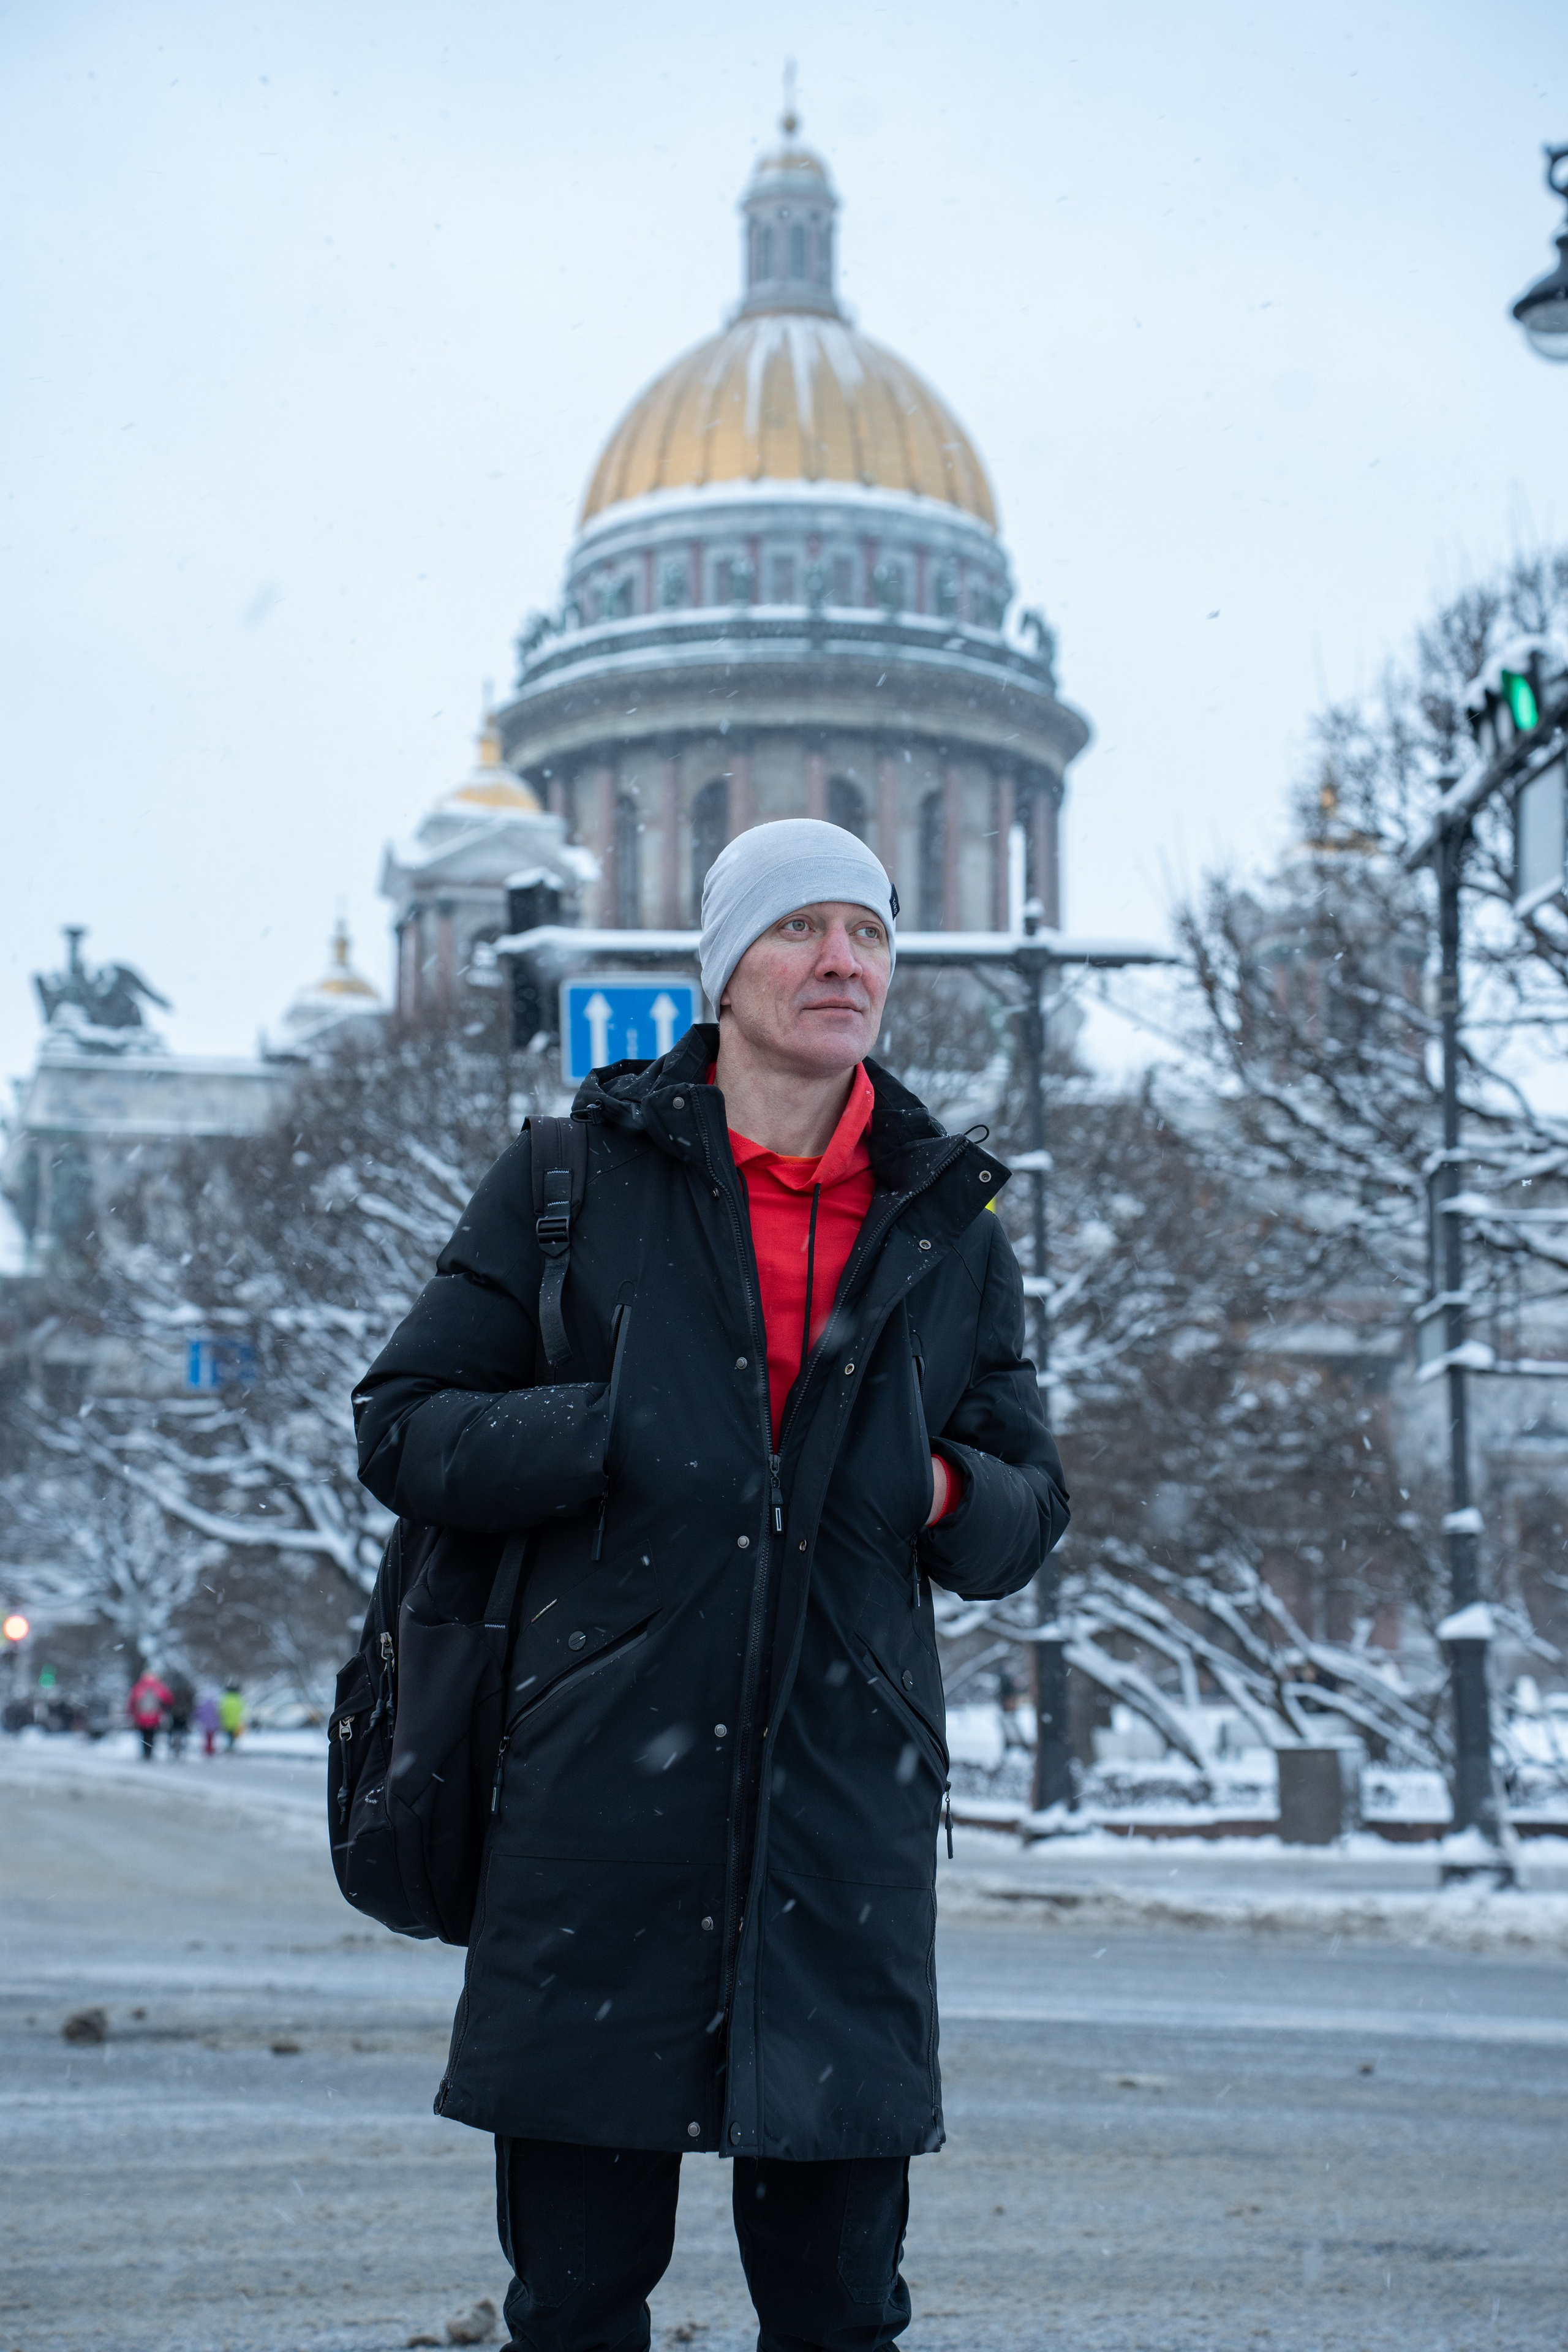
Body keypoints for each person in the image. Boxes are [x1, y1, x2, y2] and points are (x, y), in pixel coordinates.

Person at [353, 818, 1069, 2352]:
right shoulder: (570, 1179)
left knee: (836, 2307)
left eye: (868, 932)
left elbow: (1023, 1511)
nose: (842, 961)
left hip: (841, 1819)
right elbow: (403, 1424)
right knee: (576, 2298)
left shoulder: (948, 1226)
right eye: (799, 928)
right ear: (720, 970)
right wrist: (607, 1424)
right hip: (595, 1813)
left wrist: (936, 1486)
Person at [126, 1668, 172, 1761]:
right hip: (154, 1717)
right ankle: (150, 1751)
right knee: (151, 1734)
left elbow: (132, 1702)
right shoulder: (160, 1687)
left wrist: (131, 1713)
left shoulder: (139, 1686)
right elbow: (169, 1700)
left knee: (144, 1734)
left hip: (141, 1717)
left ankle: (145, 1752)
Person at [217, 1678, 246, 1751]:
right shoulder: (238, 1699)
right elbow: (242, 1710)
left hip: (227, 1721)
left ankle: (229, 1747)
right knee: (233, 1736)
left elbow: (222, 1710)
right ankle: (231, 1746)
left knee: (228, 1735)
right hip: (236, 1721)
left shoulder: (226, 1699)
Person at [195, 1689, 221, 1758]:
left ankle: (206, 1749)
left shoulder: (203, 1706)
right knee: (211, 1739)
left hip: (205, 1725)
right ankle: (210, 1750)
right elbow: (218, 1715)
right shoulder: (215, 1706)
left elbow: (199, 1714)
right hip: (213, 1725)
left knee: (206, 1738)